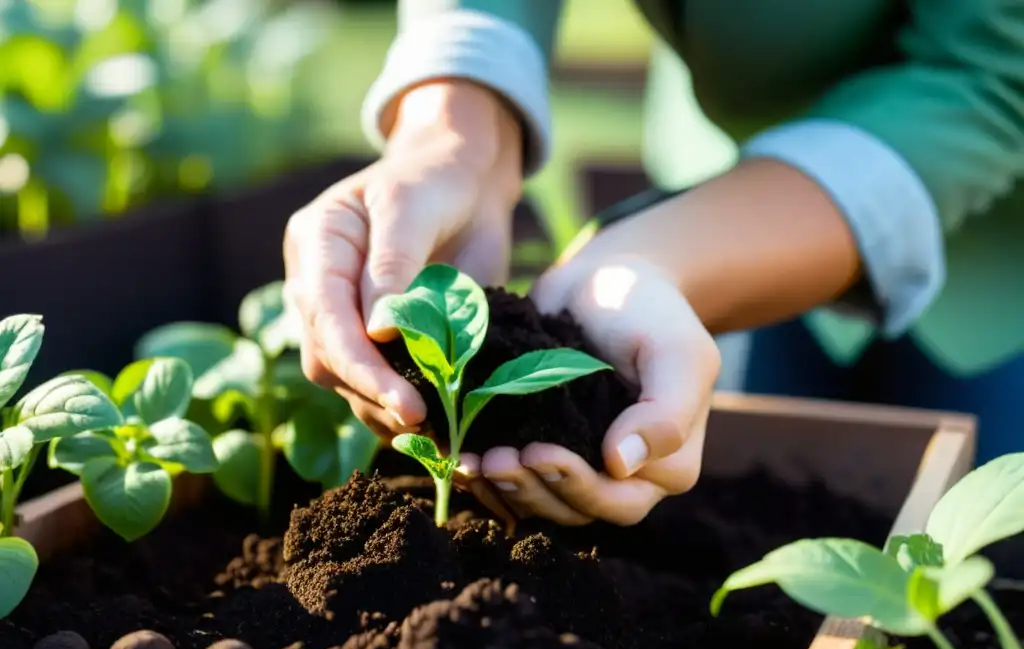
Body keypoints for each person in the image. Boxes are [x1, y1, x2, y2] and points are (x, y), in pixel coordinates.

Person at [284, 0, 1024, 527]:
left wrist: (658, 256)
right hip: (720, 187)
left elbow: (991, 74)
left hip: (1000, 256)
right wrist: (453, 133)